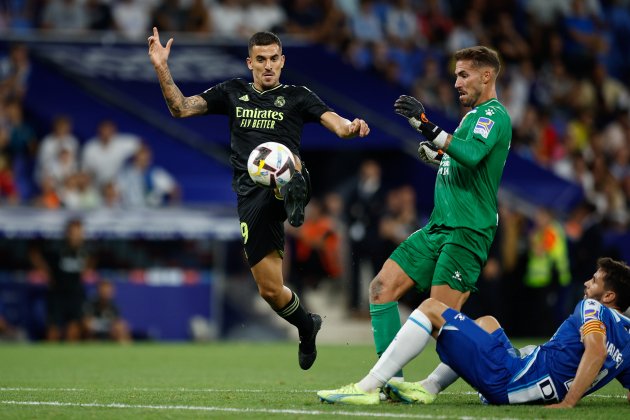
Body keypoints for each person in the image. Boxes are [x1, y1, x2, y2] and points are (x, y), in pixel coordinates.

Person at [148, 27, 369, 369]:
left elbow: (337, 125)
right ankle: (306, 325)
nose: (268, 66)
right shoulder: (232, 92)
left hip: (291, 176)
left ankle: (291, 194)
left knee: (287, 164)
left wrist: (352, 127)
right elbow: (180, 108)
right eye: (261, 60)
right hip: (251, 200)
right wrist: (162, 66)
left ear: (283, 61)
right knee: (270, 290)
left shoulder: (298, 96)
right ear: (250, 62)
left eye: (274, 59)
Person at [367, 45, 512, 388]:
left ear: (486, 75)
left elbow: (473, 155)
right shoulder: (470, 118)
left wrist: (426, 125)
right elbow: (463, 162)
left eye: (464, 75)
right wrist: (438, 156)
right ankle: (391, 385)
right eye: (456, 76)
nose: (457, 83)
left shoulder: (494, 115)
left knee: (439, 323)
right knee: (381, 288)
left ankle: (502, 358)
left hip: (467, 230)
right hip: (438, 226)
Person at [318, 257, 630, 407]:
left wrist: (569, 402)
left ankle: (368, 386)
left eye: (595, 280)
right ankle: (428, 386)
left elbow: (596, 349)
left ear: (609, 297)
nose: (588, 283)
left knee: (430, 308)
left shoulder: (594, 308)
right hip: (523, 379)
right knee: (488, 323)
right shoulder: (627, 338)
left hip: (510, 379)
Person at [29, 218, 95, 341]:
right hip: (57, 293)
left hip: (75, 294)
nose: (76, 236)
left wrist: (87, 270)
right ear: (67, 233)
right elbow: (34, 253)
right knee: (53, 331)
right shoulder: (56, 248)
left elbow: (93, 260)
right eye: (73, 233)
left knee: (73, 331)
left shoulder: (86, 250)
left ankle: (69, 359)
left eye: (79, 233)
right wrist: (45, 271)